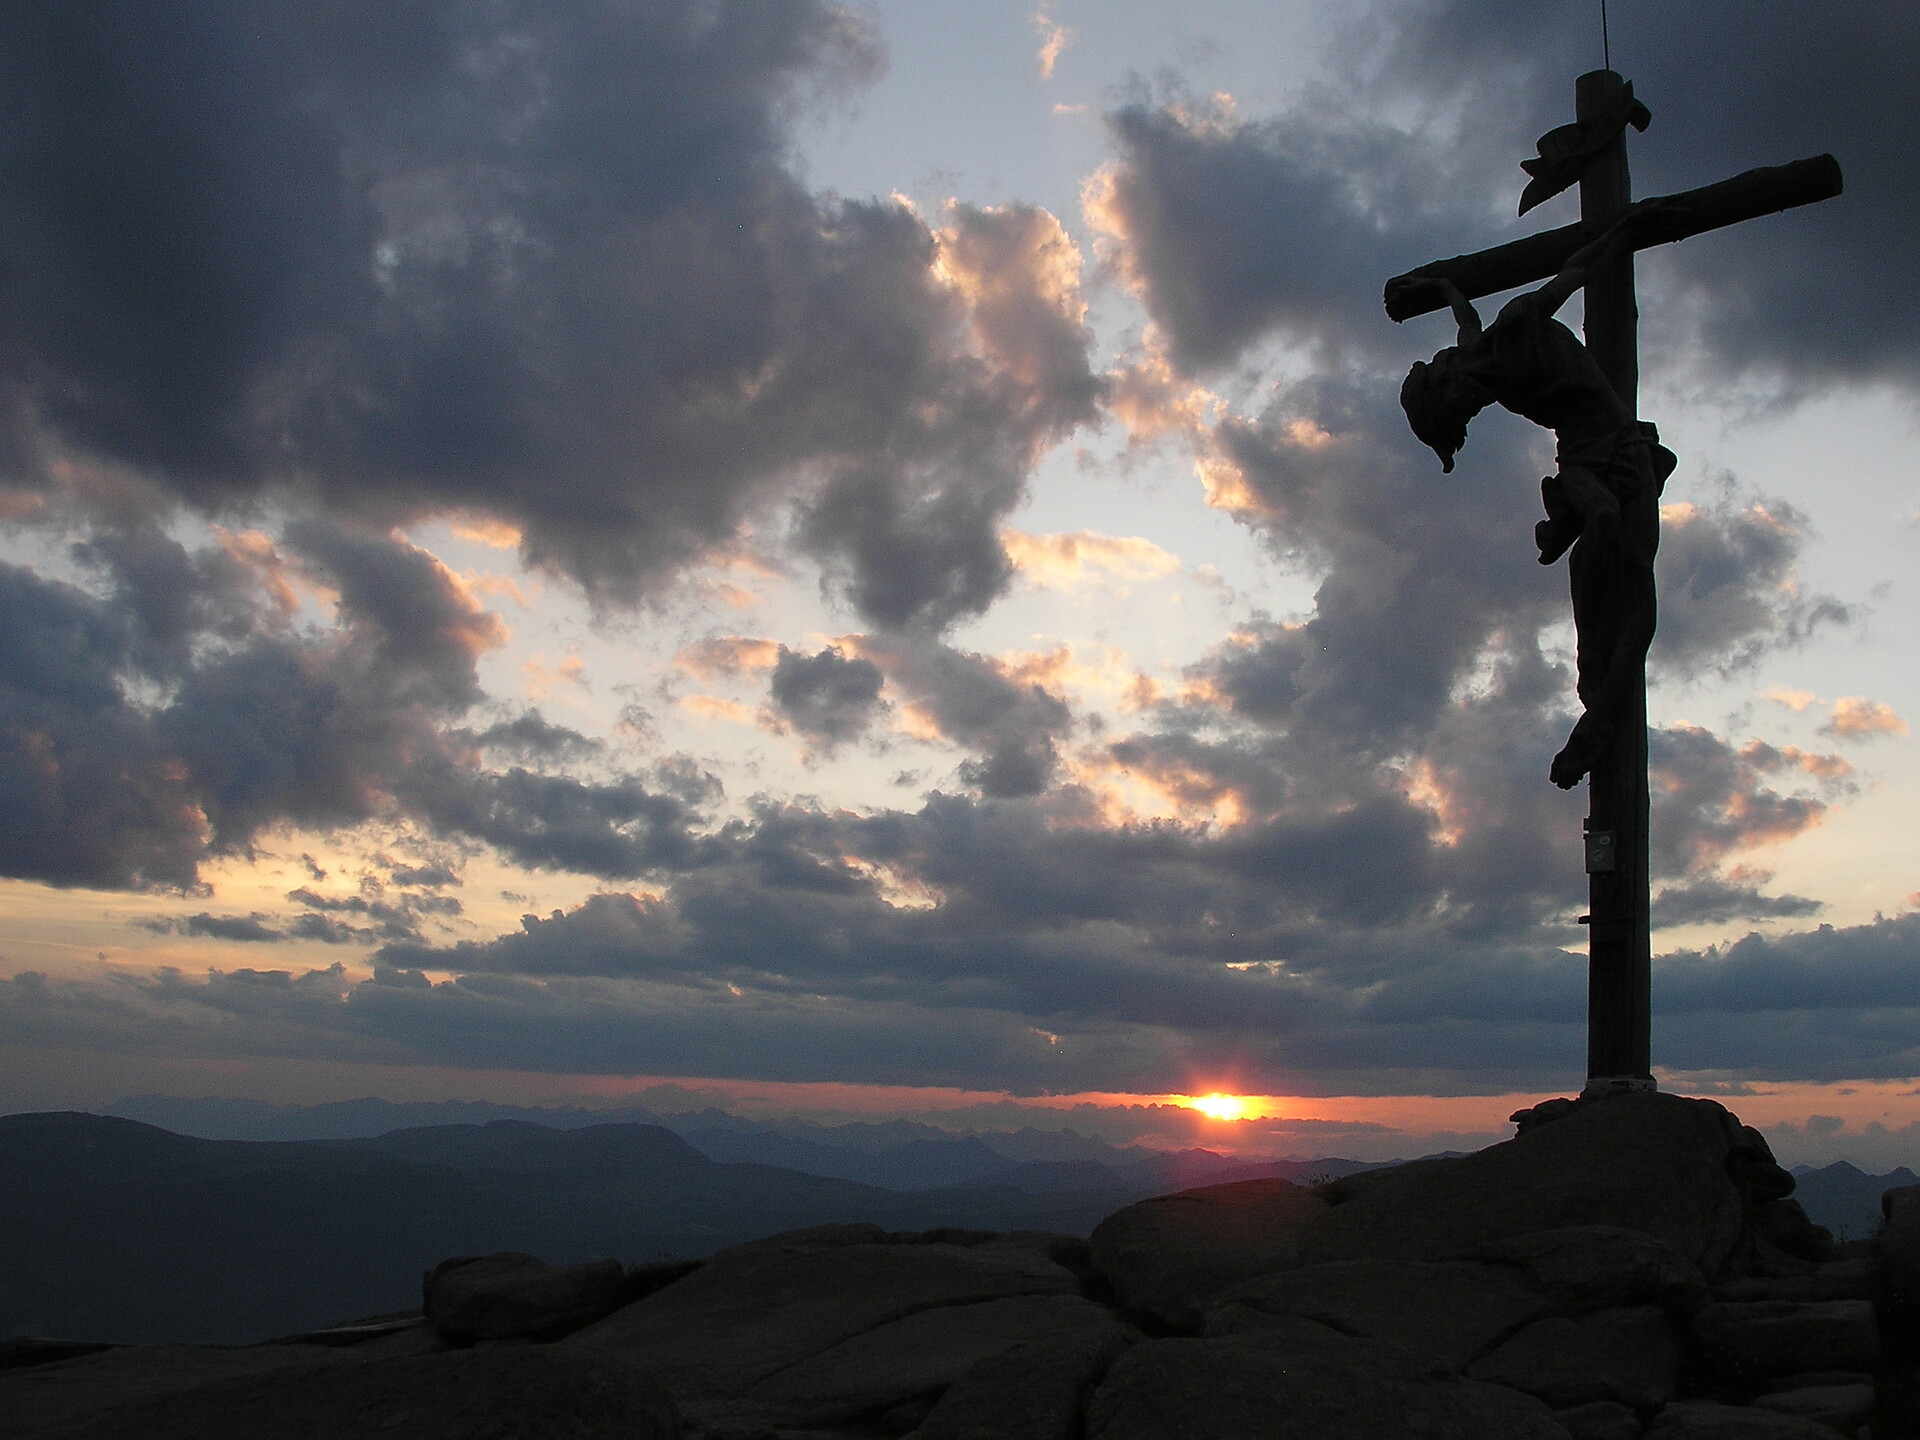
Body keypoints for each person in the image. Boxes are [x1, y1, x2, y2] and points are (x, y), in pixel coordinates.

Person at [1389, 208, 1677, 789]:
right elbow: (1460, 307)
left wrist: (1622, 230)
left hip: (1617, 441)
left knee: (1634, 572)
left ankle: (1599, 709)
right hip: (1580, 455)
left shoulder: (1513, 327)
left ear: (1452, 385)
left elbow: (1572, 272)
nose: (1472, 409)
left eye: (1459, 409)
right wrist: (1435, 287)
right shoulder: (1479, 356)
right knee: (1606, 541)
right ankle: (1596, 704)